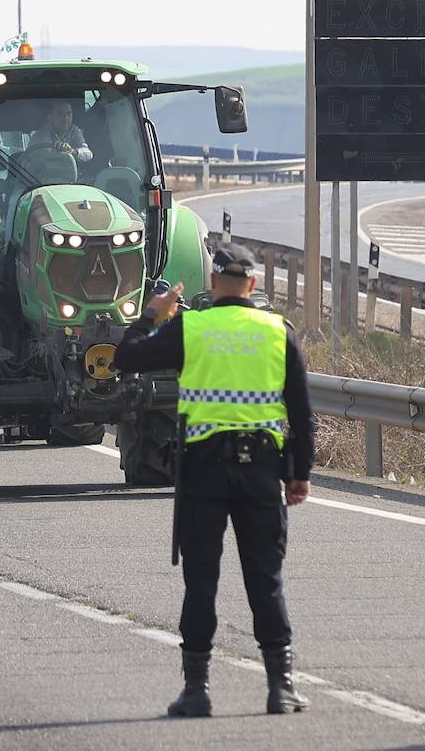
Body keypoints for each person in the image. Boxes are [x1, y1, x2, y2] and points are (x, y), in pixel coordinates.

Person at [112, 242, 314, 718]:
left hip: (203, 470)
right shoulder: (276, 331)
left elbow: (124, 358)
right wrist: (299, 475)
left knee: (201, 581)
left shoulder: (192, 326)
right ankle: (280, 686)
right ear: (254, 285)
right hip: (262, 469)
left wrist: (152, 315)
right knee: (265, 580)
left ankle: (197, 690)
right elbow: (303, 416)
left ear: (212, 282)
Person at [28, 101, 93, 163]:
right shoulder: (40, 136)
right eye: (59, 113)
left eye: (68, 113)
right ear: (50, 116)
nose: (65, 118)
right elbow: (39, 160)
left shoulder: (74, 130)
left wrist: (72, 151)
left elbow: (88, 154)